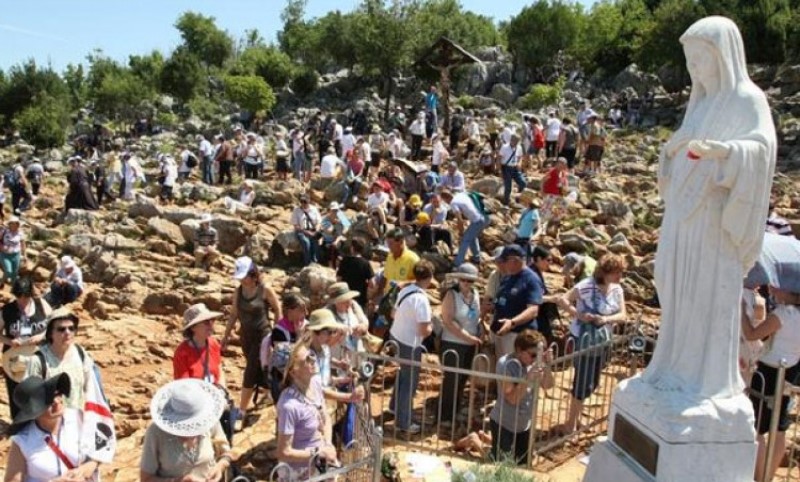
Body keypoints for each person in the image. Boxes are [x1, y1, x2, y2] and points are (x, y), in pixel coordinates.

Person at [641, 17, 776, 401]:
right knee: (672, 285)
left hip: (713, 221)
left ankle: (699, 380)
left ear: (723, 55)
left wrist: (726, 152)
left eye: (701, 58)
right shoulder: (699, 105)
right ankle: (671, 366)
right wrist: (669, 151)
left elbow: (763, 149)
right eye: (690, 60)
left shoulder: (747, 100)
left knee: (702, 296)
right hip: (682, 216)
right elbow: (679, 149)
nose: (694, 69)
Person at [558, 254, 627, 434]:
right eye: (617, 272)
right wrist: (579, 315)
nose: (620, 276)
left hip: (603, 341)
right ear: (606, 272)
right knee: (582, 382)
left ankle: (576, 417)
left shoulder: (617, 290)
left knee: (593, 382)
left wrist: (605, 319)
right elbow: (564, 300)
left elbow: (623, 315)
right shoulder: (586, 286)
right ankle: (570, 423)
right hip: (584, 341)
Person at [741, 287, 800, 481]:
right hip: (791, 371)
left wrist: (741, 312)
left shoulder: (783, 314)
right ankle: (768, 476)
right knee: (780, 427)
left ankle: (760, 477)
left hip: (769, 370)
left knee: (757, 428)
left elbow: (752, 334)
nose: (775, 290)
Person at [5, 374, 105, 482]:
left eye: (57, 394)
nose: (57, 402)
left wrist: (86, 468)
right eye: (49, 402)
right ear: (34, 412)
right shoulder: (22, 441)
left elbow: (104, 446)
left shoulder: (80, 418)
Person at [222, 256, 282, 429]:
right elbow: (234, 314)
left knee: (249, 372)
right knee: (257, 368)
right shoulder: (238, 291)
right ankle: (271, 392)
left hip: (262, 336)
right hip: (246, 337)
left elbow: (277, 309)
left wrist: (276, 332)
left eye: (244, 276)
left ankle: (241, 412)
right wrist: (225, 336)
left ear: (253, 274)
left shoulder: (265, 289)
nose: (242, 279)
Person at [140, 379, 234, 482]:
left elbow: (227, 453)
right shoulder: (155, 433)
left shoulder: (208, 420)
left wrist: (219, 467)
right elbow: (146, 478)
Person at [489, 330, 554, 464]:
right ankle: (475, 441)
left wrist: (547, 365)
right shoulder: (505, 364)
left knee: (523, 465)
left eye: (540, 354)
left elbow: (548, 385)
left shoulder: (533, 363)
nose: (536, 359)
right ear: (519, 350)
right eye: (533, 355)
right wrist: (527, 379)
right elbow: (512, 399)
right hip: (504, 423)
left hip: (525, 425)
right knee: (501, 466)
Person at [276, 343, 339, 479]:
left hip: (320, 462)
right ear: (293, 372)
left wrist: (327, 445)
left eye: (312, 354)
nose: (313, 360)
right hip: (300, 473)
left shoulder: (315, 382)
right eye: (307, 359)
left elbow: (326, 417)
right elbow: (283, 452)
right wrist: (317, 453)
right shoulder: (289, 406)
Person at [389, 260, 434, 434]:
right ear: (429, 277)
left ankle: (394, 407)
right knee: (410, 381)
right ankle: (404, 422)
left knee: (403, 372)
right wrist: (433, 328)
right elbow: (424, 329)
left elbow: (393, 313)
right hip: (410, 343)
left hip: (396, 337)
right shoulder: (422, 299)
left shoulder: (406, 290)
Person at [0, 277, 51, 418]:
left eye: (26, 296)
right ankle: (19, 426)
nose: (22, 300)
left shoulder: (41, 304)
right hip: (15, 358)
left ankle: (39, 422)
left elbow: (54, 325)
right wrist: (10, 341)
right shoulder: (7, 311)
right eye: (19, 296)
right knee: (17, 392)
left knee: (39, 390)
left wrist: (41, 336)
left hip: (39, 355)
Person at [439, 263, 483, 426]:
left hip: (470, 343)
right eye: (464, 279)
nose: (466, 282)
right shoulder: (451, 295)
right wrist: (467, 337)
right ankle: (445, 416)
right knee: (451, 379)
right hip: (453, 342)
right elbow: (448, 321)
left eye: (470, 280)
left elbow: (476, 316)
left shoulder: (475, 294)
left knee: (463, 378)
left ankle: (455, 411)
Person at [25, 307, 93, 409]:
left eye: (71, 328)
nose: (67, 332)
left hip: (77, 418)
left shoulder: (81, 353)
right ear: (50, 333)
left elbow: (89, 388)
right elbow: (31, 396)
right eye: (61, 329)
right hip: (51, 420)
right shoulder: (38, 360)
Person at [491, 245, 544, 358]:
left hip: (518, 336)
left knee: (515, 370)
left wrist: (512, 322)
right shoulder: (507, 278)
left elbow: (533, 310)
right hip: (501, 332)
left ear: (514, 260)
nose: (502, 264)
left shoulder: (531, 279)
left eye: (504, 261)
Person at [264, 293, 308, 403]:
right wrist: (299, 336)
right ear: (290, 311)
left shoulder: (306, 326)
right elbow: (287, 357)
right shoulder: (279, 331)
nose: (306, 313)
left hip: (301, 377)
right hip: (282, 379)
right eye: (301, 310)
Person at [326, 282, 369, 372]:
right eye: (344, 301)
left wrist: (362, 327)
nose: (348, 303)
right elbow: (325, 340)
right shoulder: (326, 313)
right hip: (338, 364)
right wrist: (340, 331)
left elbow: (365, 322)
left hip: (357, 359)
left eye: (349, 299)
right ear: (335, 302)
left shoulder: (354, 306)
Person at [439, 189, 486, 267]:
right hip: (481, 217)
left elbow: (459, 220)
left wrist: (461, 232)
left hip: (477, 221)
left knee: (465, 240)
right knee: (472, 237)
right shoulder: (460, 195)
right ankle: (476, 258)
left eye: (444, 201)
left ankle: (458, 263)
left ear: (445, 199)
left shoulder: (453, 203)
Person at [537, 157, 570, 239]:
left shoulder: (563, 173)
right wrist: (542, 191)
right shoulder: (552, 171)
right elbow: (543, 180)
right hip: (550, 194)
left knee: (564, 205)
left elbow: (566, 184)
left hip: (558, 196)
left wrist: (565, 188)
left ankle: (553, 223)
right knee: (546, 211)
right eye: (559, 163)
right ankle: (541, 228)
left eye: (562, 164)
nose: (560, 165)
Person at [336, 239, 374, 308]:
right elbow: (371, 283)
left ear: (352, 248)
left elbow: (338, 279)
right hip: (360, 298)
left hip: (346, 296)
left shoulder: (345, 261)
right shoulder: (366, 263)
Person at [291, 194, 323, 267]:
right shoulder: (297, 210)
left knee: (315, 244)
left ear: (309, 201)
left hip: (312, 230)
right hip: (302, 231)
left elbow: (319, 221)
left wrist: (316, 231)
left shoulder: (314, 209)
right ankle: (307, 264)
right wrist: (306, 232)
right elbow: (296, 225)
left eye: (305, 202)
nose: (303, 203)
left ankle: (315, 262)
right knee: (306, 243)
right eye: (301, 201)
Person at [319, 202, 350, 268]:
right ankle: (332, 267)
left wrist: (344, 230)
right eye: (333, 210)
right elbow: (330, 231)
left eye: (336, 210)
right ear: (330, 210)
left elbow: (347, 226)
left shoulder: (341, 215)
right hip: (329, 240)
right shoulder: (324, 220)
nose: (335, 212)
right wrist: (335, 223)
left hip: (339, 239)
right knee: (332, 249)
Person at [498, 134, 526, 205]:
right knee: (508, 187)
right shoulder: (504, 147)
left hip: (515, 168)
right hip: (506, 168)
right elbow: (499, 159)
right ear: (511, 140)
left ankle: (518, 199)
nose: (516, 143)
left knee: (523, 183)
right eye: (514, 141)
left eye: (517, 141)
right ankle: (506, 202)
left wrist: (519, 163)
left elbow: (520, 157)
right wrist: (499, 170)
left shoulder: (519, 147)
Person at [514, 190, 540, 260]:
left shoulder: (534, 212)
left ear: (527, 201)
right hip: (519, 239)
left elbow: (538, 228)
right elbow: (520, 226)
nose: (521, 202)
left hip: (526, 240)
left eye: (523, 200)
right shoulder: (525, 211)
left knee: (523, 261)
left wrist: (533, 237)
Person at [1, 217, 26, 286]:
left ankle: (12, 287)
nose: (13, 225)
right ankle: (2, 282)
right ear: (9, 224)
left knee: (15, 273)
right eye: (12, 223)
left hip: (16, 254)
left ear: (18, 224)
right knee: (8, 271)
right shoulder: (4, 231)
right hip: (4, 254)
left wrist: (25, 255)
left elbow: (23, 244)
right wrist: (1, 247)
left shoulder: (20, 233)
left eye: (15, 224)